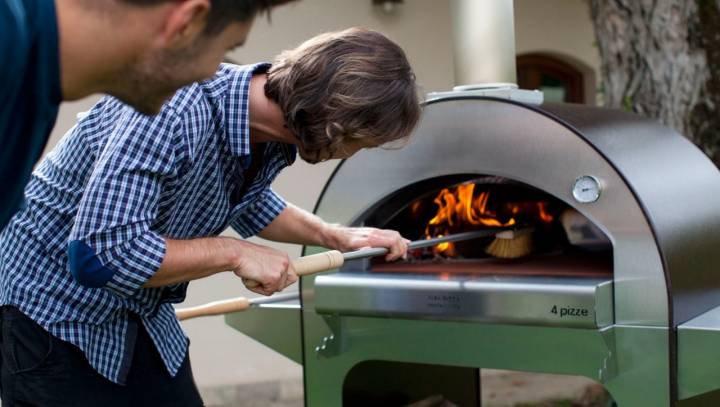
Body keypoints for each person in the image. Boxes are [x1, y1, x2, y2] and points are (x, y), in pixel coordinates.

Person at [0, 28, 421, 406]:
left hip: (139, 314)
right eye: (363, 142)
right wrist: (233, 253)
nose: (355, 153)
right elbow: (99, 254)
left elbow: (248, 201)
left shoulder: (267, 132)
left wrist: (337, 236)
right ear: (336, 121)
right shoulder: (173, 107)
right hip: (51, 315)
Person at [0, 0, 293, 230]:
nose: (215, 71)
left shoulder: (34, 82)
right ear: (187, 22)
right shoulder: (8, 39)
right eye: (226, 48)